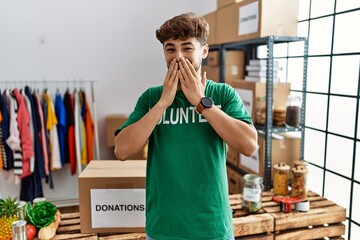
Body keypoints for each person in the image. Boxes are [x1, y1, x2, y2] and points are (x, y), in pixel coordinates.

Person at [114, 12, 257, 240]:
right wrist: (163, 103)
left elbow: (249, 146)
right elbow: (121, 150)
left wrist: (202, 103)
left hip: (213, 228)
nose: (178, 57)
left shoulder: (222, 94)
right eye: (170, 49)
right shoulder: (151, 98)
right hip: (163, 229)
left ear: (204, 51)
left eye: (187, 48)